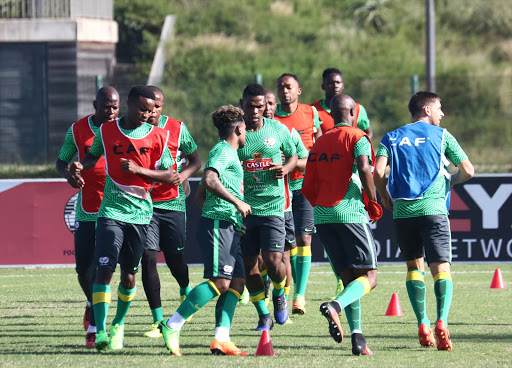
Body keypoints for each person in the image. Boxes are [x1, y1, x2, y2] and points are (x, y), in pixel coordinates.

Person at [69, 85, 175, 352]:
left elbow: (170, 175)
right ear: (128, 105)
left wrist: (140, 169)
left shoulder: (159, 136)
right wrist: (80, 166)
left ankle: (118, 323)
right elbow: (92, 157)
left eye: (151, 111)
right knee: (103, 269)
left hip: (140, 215)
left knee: (129, 277)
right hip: (110, 213)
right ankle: (100, 331)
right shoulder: (106, 131)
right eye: (142, 109)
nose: (147, 115)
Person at [374, 91, 474, 351]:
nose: (442, 114)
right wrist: (450, 181)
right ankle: (441, 321)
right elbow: (468, 170)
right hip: (433, 209)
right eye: (439, 108)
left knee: (413, 267)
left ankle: (422, 322)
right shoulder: (442, 136)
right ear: (427, 110)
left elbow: (377, 171)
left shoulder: (392, 137)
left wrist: (384, 196)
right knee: (441, 269)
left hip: (403, 212)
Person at [160, 105, 250, 356]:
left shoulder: (228, 153)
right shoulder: (223, 151)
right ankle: (172, 325)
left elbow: (201, 195)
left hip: (228, 224)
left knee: (237, 283)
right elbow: (209, 179)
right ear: (240, 128)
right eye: (245, 130)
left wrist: (229, 214)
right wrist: (236, 204)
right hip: (219, 226)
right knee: (221, 282)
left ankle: (221, 339)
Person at [302, 93, 382, 356]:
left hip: (323, 216)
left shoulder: (319, 142)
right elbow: (364, 168)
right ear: (352, 113)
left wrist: (321, 205)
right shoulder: (357, 136)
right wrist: (373, 199)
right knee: (370, 277)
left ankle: (357, 338)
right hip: (349, 214)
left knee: (349, 278)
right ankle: (335, 306)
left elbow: (308, 184)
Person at [56, 86, 120, 348]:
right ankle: (91, 302)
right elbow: (62, 160)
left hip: (116, 209)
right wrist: (69, 174)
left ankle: (96, 323)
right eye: (107, 106)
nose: (112, 111)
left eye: (116, 107)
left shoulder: (123, 129)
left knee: (104, 269)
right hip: (87, 210)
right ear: (95, 104)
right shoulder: (78, 129)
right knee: (83, 270)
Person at [140, 86, 201, 338]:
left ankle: (185, 287)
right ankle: (157, 321)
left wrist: (182, 176)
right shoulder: (134, 131)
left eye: (158, 105)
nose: (153, 111)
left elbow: (196, 160)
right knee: (148, 258)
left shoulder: (176, 128)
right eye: (148, 106)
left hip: (173, 204)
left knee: (175, 260)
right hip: (143, 206)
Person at [237, 83, 298, 330]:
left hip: (273, 207)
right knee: (250, 266)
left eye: (259, 106)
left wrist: (286, 168)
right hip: (244, 210)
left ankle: (280, 293)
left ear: (265, 106)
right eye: (250, 106)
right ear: (242, 104)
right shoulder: (236, 132)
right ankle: (263, 315)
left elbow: (293, 155)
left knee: (274, 262)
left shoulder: (277, 129)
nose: (255, 111)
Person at [274, 73, 321, 315]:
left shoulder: (310, 113)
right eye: (281, 87)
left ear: (298, 90)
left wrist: (294, 163)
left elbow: (318, 150)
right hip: (277, 189)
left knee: (304, 239)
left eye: (289, 87)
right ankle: (284, 290)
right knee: (285, 245)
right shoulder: (269, 119)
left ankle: (300, 296)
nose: (285, 91)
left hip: (303, 184)